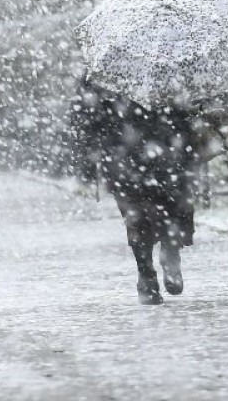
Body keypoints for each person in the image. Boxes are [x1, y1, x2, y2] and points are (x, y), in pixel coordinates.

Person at [66, 75, 206, 305]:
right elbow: (86, 116)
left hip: (146, 156)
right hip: (139, 158)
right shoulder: (169, 67)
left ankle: (157, 266)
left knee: (153, 215)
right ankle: (151, 270)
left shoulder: (104, 70)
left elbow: (84, 117)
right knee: (146, 216)